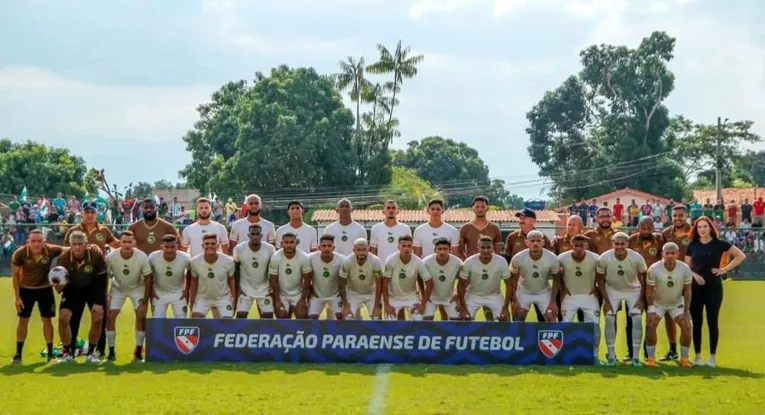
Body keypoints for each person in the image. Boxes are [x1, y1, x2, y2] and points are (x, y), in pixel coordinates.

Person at [685, 216, 745, 367]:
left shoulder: (719, 244)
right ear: (696, 229)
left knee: (712, 322)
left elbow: (740, 255)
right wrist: (695, 275)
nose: (702, 229)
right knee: (696, 322)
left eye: (705, 226)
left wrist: (724, 269)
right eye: (699, 227)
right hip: (695, 287)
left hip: (714, 288)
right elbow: (686, 266)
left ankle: (712, 357)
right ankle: (697, 356)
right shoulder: (692, 245)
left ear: (710, 228)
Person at [62, 202, 120, 359]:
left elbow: (117, 245)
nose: (89, 215)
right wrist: (87, 248)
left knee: (99, 314)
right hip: (76, 279)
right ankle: (71, 349)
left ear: (96, 214)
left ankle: (98, 350)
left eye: (92, 212)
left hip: (97, 279)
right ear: (82, 213)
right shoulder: (73, 231)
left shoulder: (104, 230)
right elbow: (66, 251)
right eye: (86, 212)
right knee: (74, 316)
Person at [54, 231, 108, 363]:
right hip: (73, 290)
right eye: (74, 244)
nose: (77, 247)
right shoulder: (63, 259)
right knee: (63, 317)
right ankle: (67, 353)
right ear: (70, 245)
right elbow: (60, 287)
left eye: (80, 244)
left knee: (97, 317)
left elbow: (102, 280)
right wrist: (57, 284)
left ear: (86, 245)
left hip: (93, 289)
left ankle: (91, 353)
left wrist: (100, 302)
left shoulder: (96, 256)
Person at [10, 230, 63, 363]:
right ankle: (18, 353)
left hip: (45, 289)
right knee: (23, 320)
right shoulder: (20, 254)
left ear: (44, 242)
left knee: (47, 320)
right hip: (26, 290)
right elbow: (15, 276)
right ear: (28, 242)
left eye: (39, 241)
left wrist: (90, 246)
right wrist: (17, 297)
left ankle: (50, 354)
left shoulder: (51, 250)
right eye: (33, 241)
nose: (36, 244)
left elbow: (68, 249)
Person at [597, 232, 647, 367]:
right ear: (612, 244)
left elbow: (644, 278)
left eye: (622, 244)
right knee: (609, 318)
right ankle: (611, 356)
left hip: (633, 289)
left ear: (627, 244)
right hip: (612, 289)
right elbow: (600, 280)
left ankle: (636, 357)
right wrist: (606, 301)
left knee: (636, 318)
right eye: (616, 244)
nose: (619, 247)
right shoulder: (604, 258)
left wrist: (641, 299)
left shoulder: (636, 257)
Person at [105, 231, 152, 362]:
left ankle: (137, 352)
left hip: (137, 288)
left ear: (134, 243)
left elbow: (148, 278)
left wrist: (145, 301)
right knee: (110, 315)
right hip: (118, 288)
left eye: (130, 242)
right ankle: (111, 352)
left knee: (141, 316)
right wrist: (106, 296)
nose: (127, 245)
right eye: (124, 242)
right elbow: (105, 277)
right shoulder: (111, 257)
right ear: (120, 242)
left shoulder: (142, 257)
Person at [645, 242, 693, 368]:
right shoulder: (654, 268)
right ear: (662, 254)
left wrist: (686, 312)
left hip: (676, 303)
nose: (670, 256)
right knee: (651, 324)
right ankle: (650, 358)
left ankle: (684, 358)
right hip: (658, 304)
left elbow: (688, 291)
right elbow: (649, 290)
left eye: (673, 253)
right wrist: (650, 309)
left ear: (678, 254)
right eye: (667, 253)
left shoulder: (685, 268)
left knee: (687, 325)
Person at [558, 234, 602, 362]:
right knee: (566, 326)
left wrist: (597, 287)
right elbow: (556, 275)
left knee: (595, 326)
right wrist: (563, 288)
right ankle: (564, 356)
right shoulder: (562, 258)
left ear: (586, 246)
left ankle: (595, 356)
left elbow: (601, 275)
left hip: (589, 296)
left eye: (581, 246)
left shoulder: (595, 258)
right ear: (571, 245)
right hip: (570, 296)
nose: (578, 248)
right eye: (576, 245)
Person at [503, 208, 551, 321]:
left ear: (533, 221)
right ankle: (518, 338)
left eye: (524, 218)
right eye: (520, 218)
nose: (521, 220)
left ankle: (541, 339)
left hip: (541, 285)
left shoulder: (543, 238)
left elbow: (550, 259)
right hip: (519, 286)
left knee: (544, 318)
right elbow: (508, 261)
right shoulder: (512, 237)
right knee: (518, 317)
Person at [625, 216, 663, 361]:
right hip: (634, 287)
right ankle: (631, 352)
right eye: (643, 228)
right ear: (638, 227)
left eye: (649, 228)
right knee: (632, 320)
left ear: (653, 228)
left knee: (651, 320)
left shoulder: (659, 240)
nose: (646, 231)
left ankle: (649, 354)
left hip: (653, 287)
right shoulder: (631, 240)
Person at [658, 205, 692, 361]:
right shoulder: (665, 234)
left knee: (689, 315)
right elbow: (661, 257)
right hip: (670, 280)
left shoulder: (693, 231)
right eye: (675, 215)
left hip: (689, 278)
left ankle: (692, 352)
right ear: (671, 217)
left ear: (686, 216)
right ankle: (673, 349)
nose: (678, 218)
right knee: (669, 315)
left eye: (681, 215)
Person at [508, 230, 560, 322]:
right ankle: (520, 336)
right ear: (527, 243)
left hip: (544, 292)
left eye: (538, 241)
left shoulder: (552, 258)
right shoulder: (518, 258)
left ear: (543, 242)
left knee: (551, 317)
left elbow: (556, 280)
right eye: (532, 241)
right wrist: (514, 300)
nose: (535, 243)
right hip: (524, 291)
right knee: (518, 317)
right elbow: (512, 279)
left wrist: (553, 301)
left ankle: (550, 337)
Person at [458, 236, 511, 321]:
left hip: (494, 295)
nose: (486, 250)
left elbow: (509, 284)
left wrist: (505, 307)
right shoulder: (469, 261)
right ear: (478, 248)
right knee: (464, 319)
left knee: (504, 319)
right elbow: (460, 284)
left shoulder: (501, 261)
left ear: (492, 248)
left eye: (488, 247)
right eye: (482, 247)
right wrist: (463, 307)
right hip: (473, 294)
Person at [382, 235, 432, 320]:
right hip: (394, 297)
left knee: (419, 320)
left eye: (409, 246)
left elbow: (429, 283)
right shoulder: (391, 260)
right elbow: (385, 282)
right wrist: (386, 304)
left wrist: (423, 303)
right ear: (398, 247)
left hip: (411, 296)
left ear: (412, 247)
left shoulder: (418, 262)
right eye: (403, 246)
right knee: (389, 323)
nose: (406, 248)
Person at [232, 224, 276, 319]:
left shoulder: (270, 249)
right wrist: (238, 289)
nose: (255, 236)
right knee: (241, 316)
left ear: (261, 235)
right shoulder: (239, 248)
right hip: (245, 288)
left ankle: (264, 334)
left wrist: (272, 289)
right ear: (248, 235)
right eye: (252, 234)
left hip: (264, 289)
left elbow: (272, 270)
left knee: (268, 317)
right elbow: (235, 270)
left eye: (257, 234)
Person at [189, 232, 236, 319]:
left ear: (217, 246)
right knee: (196, 319)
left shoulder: (228, 261)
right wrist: (191, 301)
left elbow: (231, 279)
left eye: (213, 243)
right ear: (202, 246)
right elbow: (194, 281)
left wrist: (234, 298)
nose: (209, 246)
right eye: (207, 244)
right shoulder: (195, 261)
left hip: (222, 298)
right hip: (203, 298)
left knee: (228, 322)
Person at [269, 232, 312, 319]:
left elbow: (307, 280)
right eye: (286, 242)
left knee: (302, 316)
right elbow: (273, 280)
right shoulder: (275, 257)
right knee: (281, 316)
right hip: (282, 294)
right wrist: (277, 300)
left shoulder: (304, 257)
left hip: (298, 294)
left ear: (296, 243)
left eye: (292, 242)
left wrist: (303, 300)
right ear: (281, 244)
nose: (289, 245)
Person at [148, 235, 191, 318]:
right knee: (158, 320)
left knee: (181, 319)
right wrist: (152, 291)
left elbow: (190, 275)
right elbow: (149, 275)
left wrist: (186, 291)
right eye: (167, 247)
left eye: (172, 247)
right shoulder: (153, 257)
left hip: (178, 292)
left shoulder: (186, 258)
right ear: (161, 247)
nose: (169, 250)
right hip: (159, 292)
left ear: (177, 247)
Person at [339, 238, 383, 320]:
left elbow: (379, 283)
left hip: (371, 293)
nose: (361, 252)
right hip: (353, 293)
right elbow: (341, 283)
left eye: (364, 249)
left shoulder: (375, 261)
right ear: (354, 250)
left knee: (377, 318)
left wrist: (377, 305)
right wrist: (345, 305)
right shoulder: (347, 261)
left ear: (368, 249)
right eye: (358, 250)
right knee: (347, 318)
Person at [422, 238, 463, 321]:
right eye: (439, 249)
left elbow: (464, 281)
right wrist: (423, 295)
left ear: (450, 250)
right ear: (435, 250)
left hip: (449, 297)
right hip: (430, 297)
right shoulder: (426, 262)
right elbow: (418, 278)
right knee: (426, 320)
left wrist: (457, 295)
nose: (442, 252)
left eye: (445, 249)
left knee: (457, 322)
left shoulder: (458, 263)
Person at [307, 235, 345, 319]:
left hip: (336, 296)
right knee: (311, 319)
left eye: (329, 246)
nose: (326, 248)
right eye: (324, 246)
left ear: (333, 248)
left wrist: (343, 295)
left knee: (342, 317)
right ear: (319, 247)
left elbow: (347, 279)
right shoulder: (310, 258)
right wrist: (309, 290)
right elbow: (303, 275)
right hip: (317, 296)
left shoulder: (342, 260)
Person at [369, 200, 412, 265]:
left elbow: (409, 250)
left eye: (393, 208)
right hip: (382, 267)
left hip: (400, 268)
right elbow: (373, 252)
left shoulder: (405, 228)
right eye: (388, 208)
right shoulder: (375, 228)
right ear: (383, 211)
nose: (391, 210)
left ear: (397, 211)